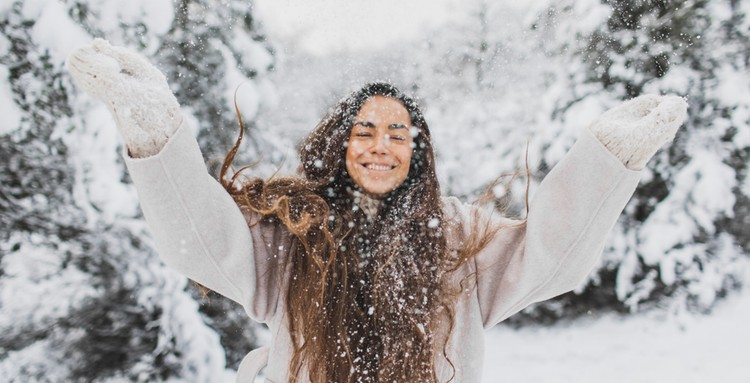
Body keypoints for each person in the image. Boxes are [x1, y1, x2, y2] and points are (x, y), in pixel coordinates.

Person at [66, 38, 687, 383]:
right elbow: (199, 241)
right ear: (341, 143)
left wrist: (609, 157)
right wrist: (154, 132)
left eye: (398, 132)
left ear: (418, 150)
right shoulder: (294, 234)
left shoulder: (462, 238)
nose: (380, 145)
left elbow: (552, 258)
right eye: (364, 130)